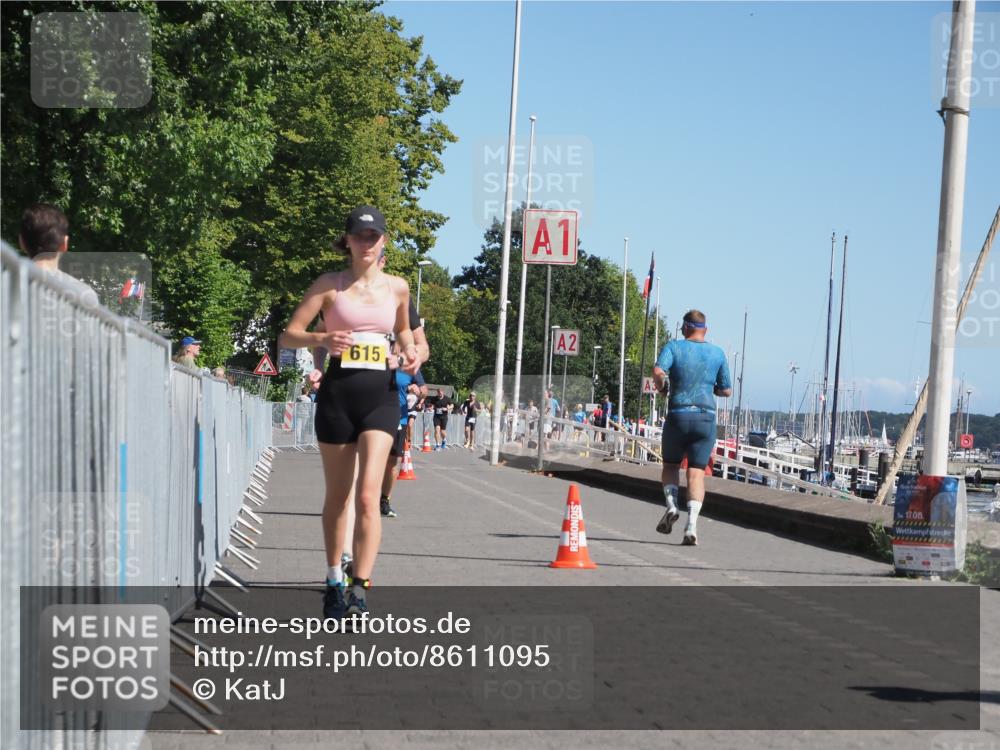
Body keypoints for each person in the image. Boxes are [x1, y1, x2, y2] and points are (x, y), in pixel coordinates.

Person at [279, 205, 419, 620]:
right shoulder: (329, 286)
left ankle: (361, 586)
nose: (367, 243)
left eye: (374, 237)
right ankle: (333, 580)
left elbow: (404, 330)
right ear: (347, 241)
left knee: (367, 495)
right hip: (338, 395)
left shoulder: (398, 287)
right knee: (338, 498)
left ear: (384, 242)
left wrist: (409, 351)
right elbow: (288, 336)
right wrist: (322, 336)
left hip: (379, 396)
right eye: (359, 236)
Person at [651, 309, 732, 546]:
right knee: (696, 473)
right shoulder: (717, 353)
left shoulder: (674, 347)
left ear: (685, 329)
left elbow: (658, 371)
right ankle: (691, 527)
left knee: (670, 466)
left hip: (678, 415)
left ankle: (672, 506)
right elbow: (726, 390)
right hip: (705, 419)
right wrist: (712, 388)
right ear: (704, 330)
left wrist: (663, 388)